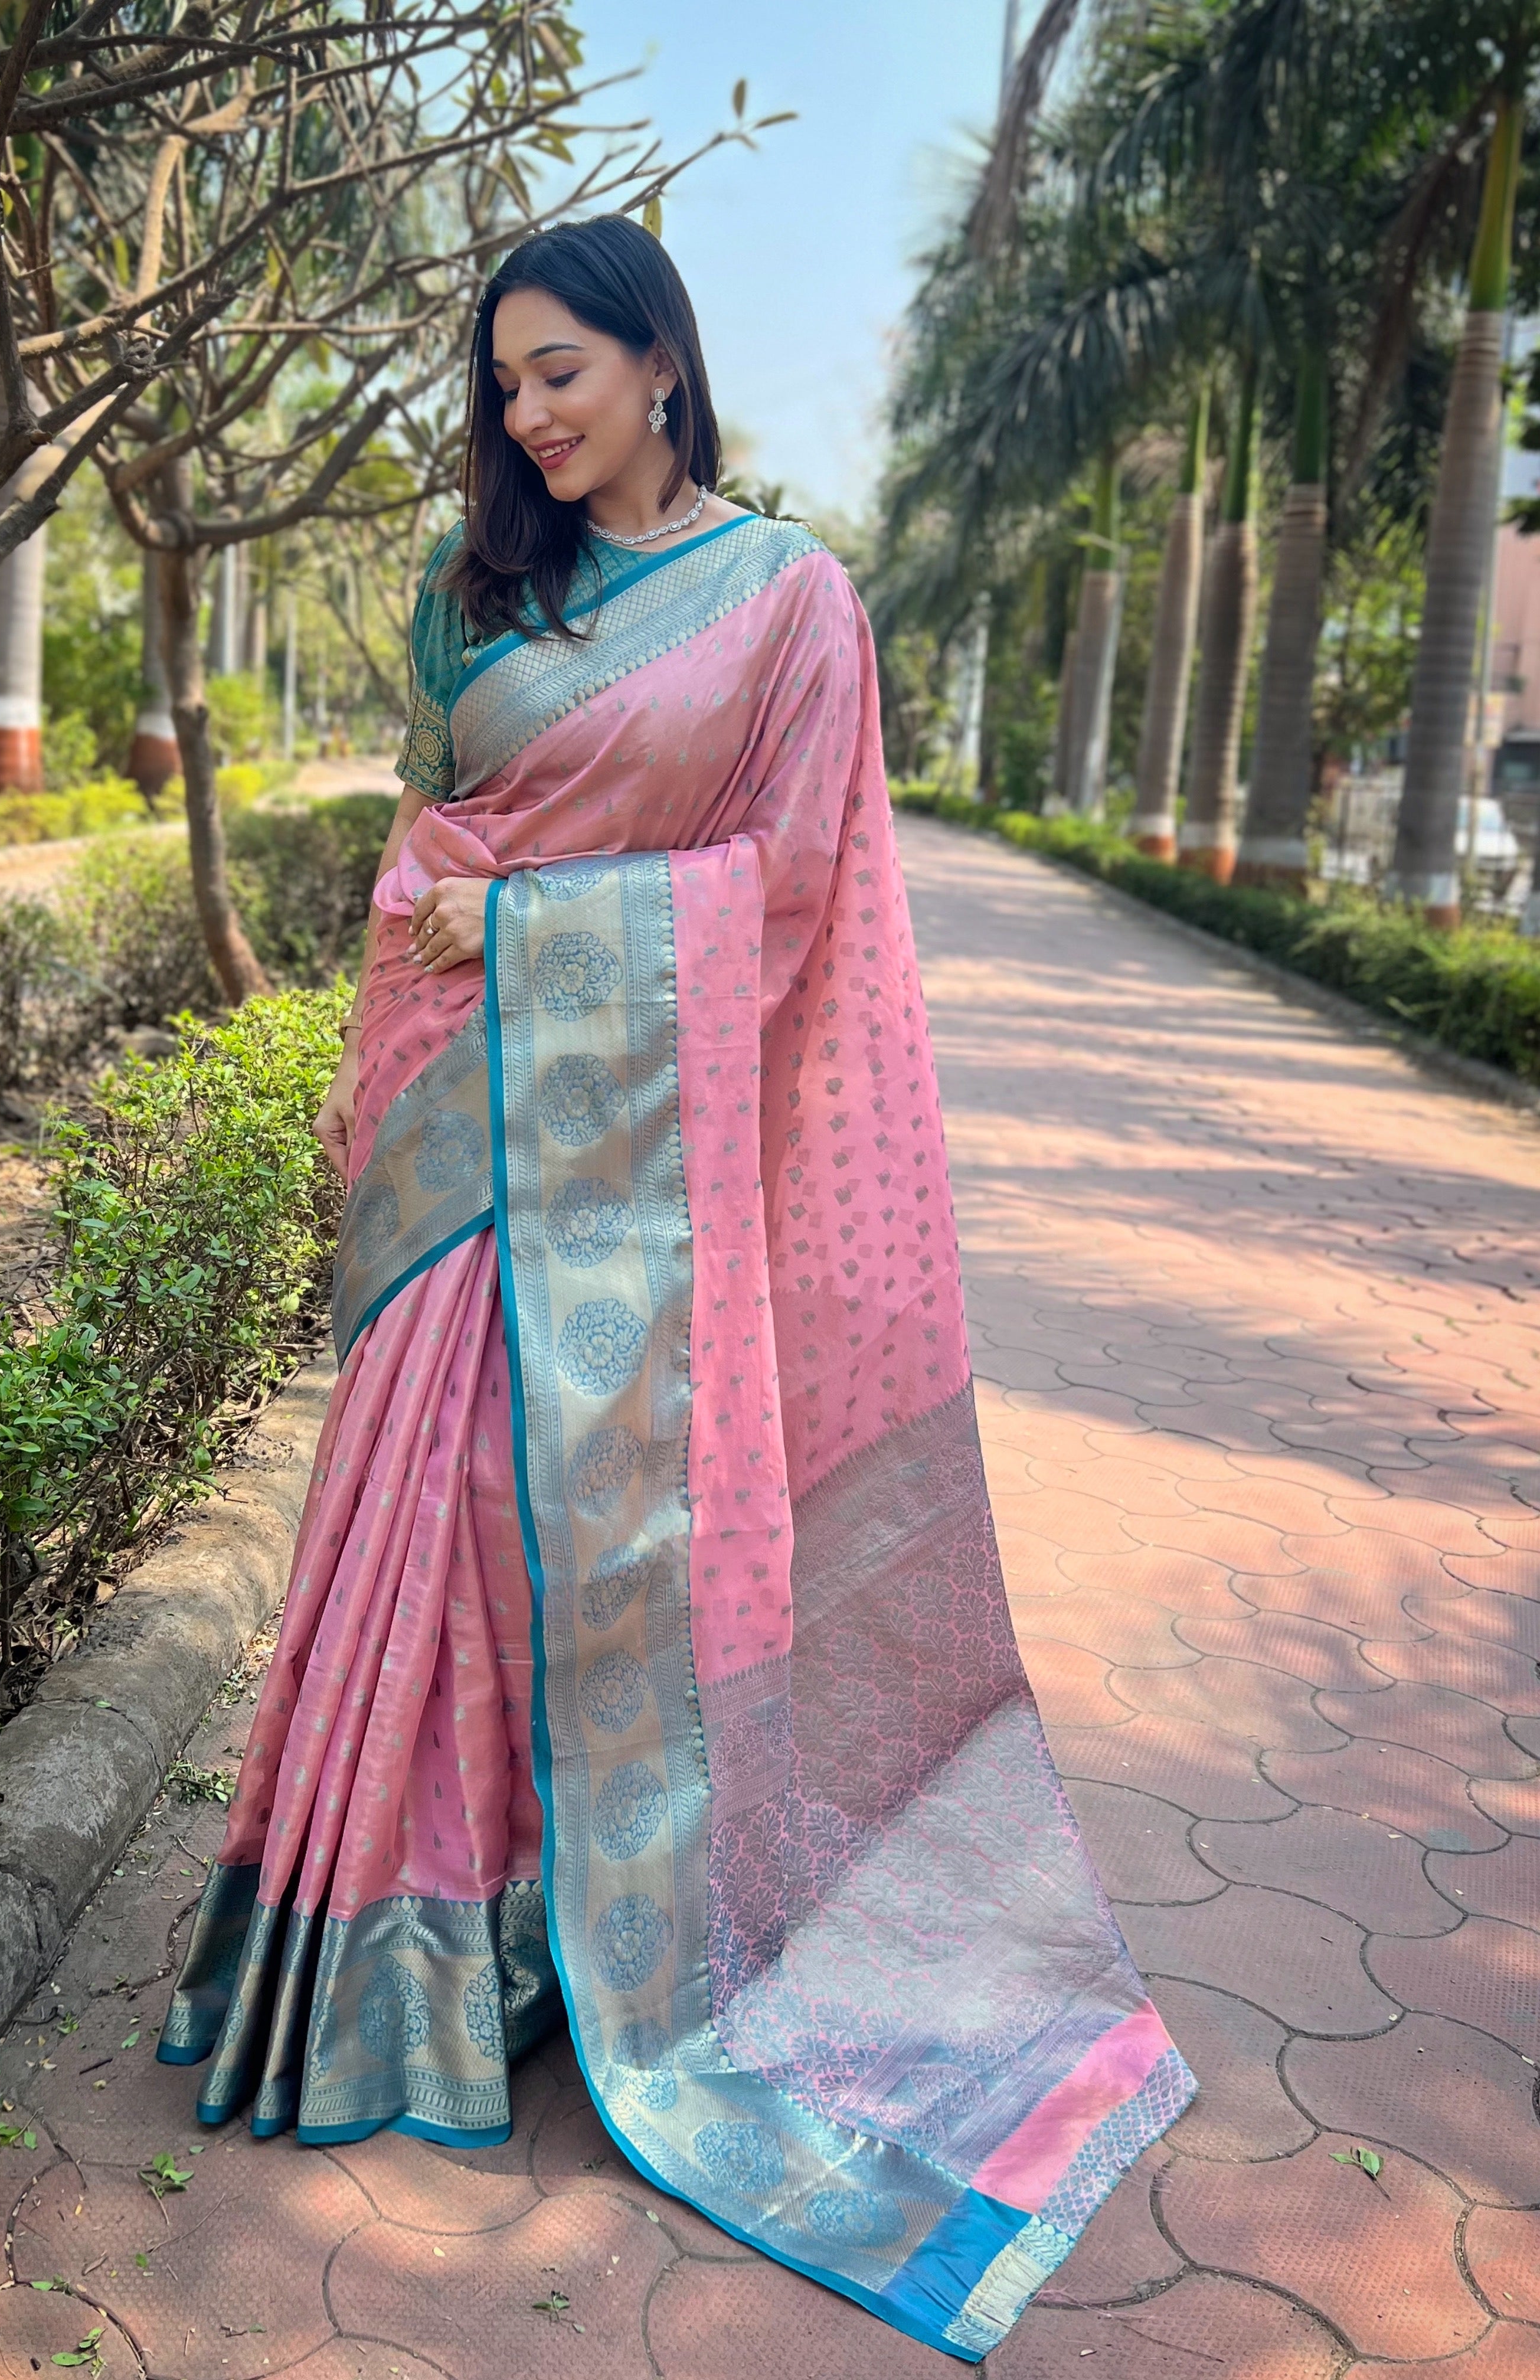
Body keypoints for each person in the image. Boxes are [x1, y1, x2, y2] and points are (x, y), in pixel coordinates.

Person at [159, 212, 1192, 2363]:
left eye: (563, 372)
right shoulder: (478, 600)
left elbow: (793, 894)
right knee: (431, 1522)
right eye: (506, 383)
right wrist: (465, 926)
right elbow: (439, 843)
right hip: (466, 1133)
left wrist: (535, 938)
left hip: (633, 1140)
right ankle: (401, 1956)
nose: (529, 417)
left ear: (659, 363)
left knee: (600, 1560)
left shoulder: (795, 603)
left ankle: (590, 1951)